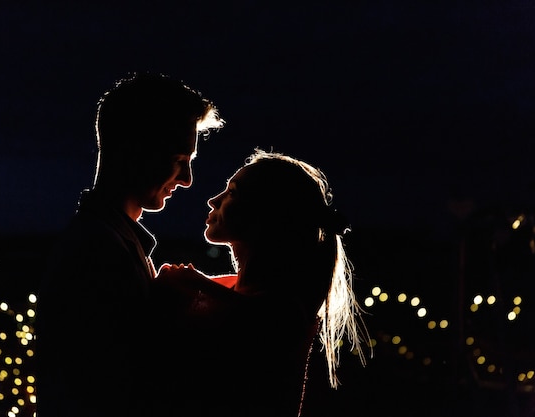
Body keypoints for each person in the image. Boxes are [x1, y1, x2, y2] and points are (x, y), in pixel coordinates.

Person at [35, 71, 224, 416]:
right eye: (180, 161)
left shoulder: (107, 241)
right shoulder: (98, 253)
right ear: (135, 149)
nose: (187, 180)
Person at [150, 149, 370, 417]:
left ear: (267, 213)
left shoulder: (281, 315)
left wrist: (186, 284)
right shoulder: (237, 293)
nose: (213, 200)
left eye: (232, 192)